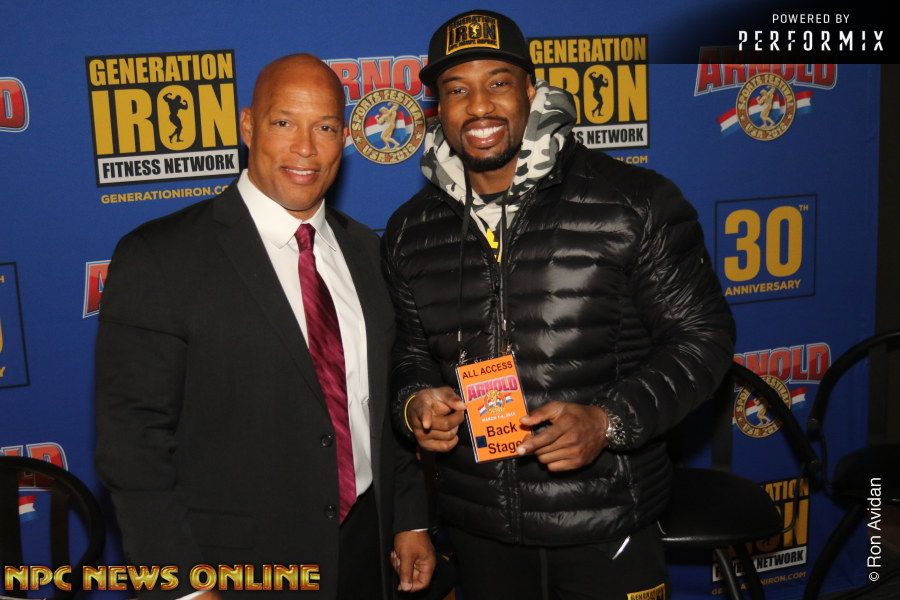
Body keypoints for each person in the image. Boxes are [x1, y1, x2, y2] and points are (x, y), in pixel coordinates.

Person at [381, 10, 735, 599]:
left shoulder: (633, 202)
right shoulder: (409, 231)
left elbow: (704, 340)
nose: (479, 106)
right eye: (457, 90)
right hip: (478, 529)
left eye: (498, 82)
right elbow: (412, 353)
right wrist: (414, 401)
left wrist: (608, 421)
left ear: (530, 90)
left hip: (606, 522)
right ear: (437, 109)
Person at [95, 54, 434, 600]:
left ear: (344, 138)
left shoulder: (367, 252)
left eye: (325, 128)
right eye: (284, 123)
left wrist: (409, 518)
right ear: (248, 127)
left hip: (366, 552)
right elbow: (133, 444)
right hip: (236, 570)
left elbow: (382, 402)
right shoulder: (160, 257)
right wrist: (180, 586)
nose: (306, 148)